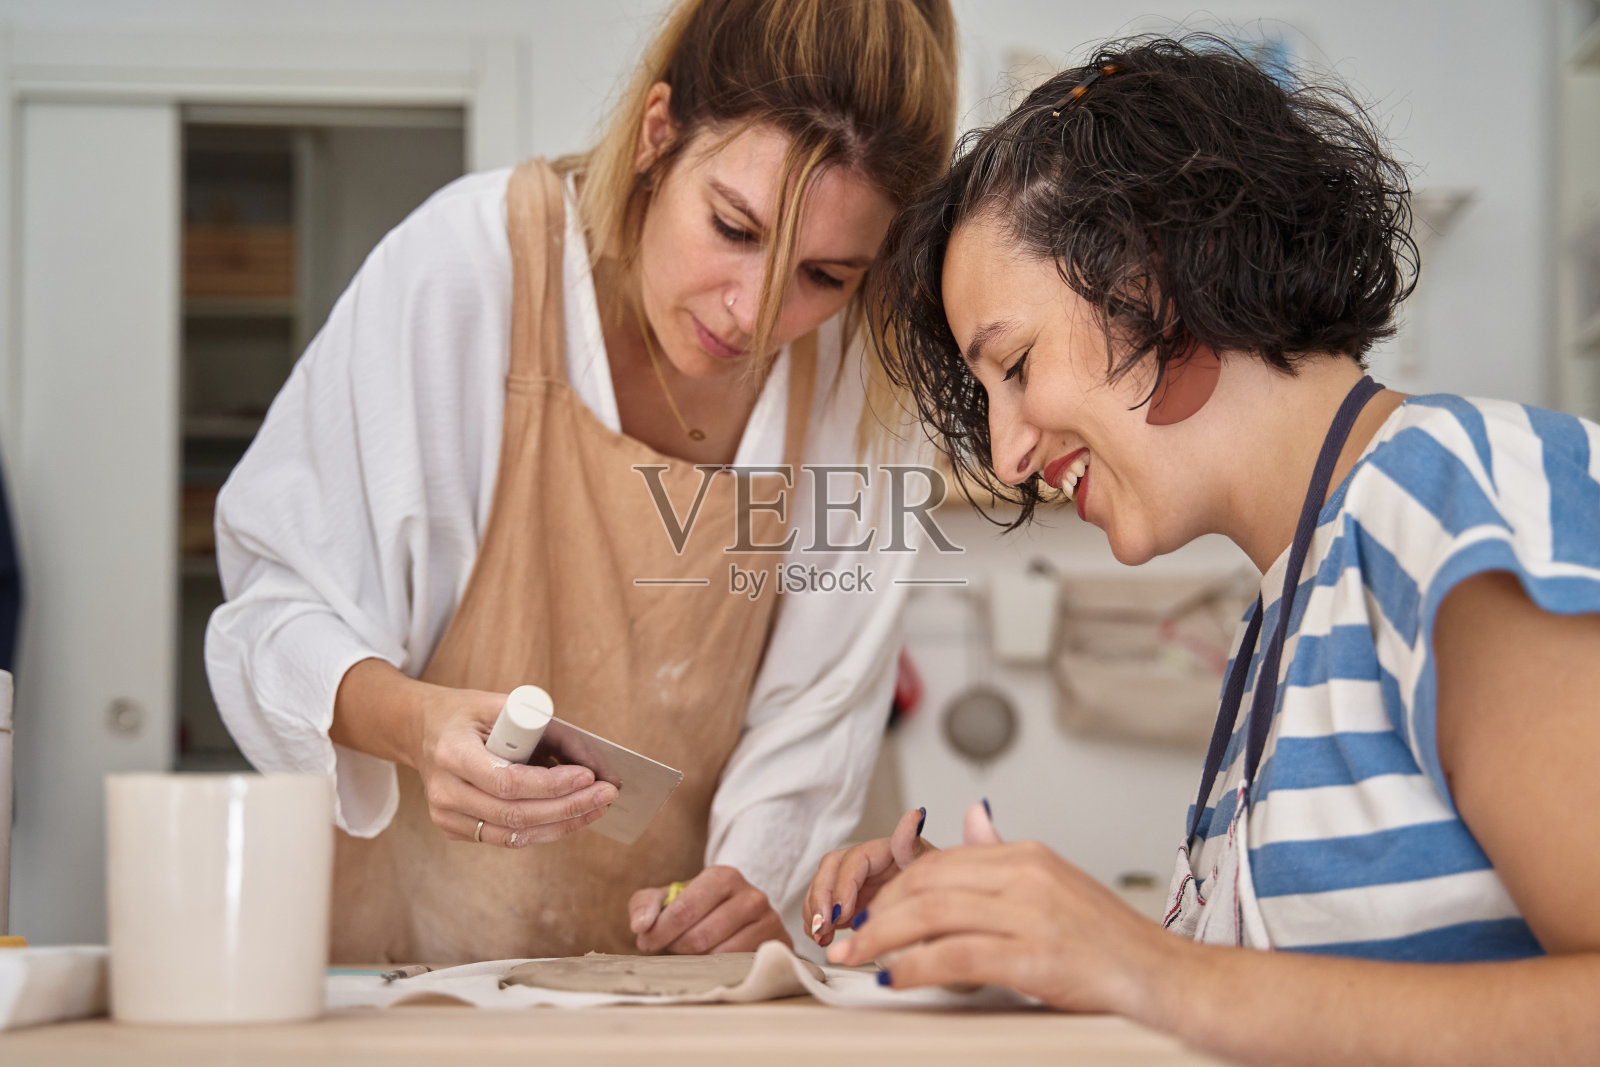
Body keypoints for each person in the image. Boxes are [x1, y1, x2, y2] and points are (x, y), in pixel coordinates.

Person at [806, 36, 1600, 1064]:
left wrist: (1145, 965)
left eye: (1015, 363)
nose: (1004, 455)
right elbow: (1292, 1003)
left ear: (1160, 278)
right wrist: (1016, 940)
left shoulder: (1454, 497)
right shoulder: (1293, 602)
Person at [207, 0, 958, 964]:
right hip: (400, 975)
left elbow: (815, 717)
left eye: (824, 276)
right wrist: (418, 724)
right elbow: (274, 613)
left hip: (666, 1000)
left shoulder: (859, 375)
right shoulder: (468, 271)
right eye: (733, 227)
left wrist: (747, 891)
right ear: (657, 135)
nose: (752, 312)